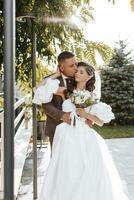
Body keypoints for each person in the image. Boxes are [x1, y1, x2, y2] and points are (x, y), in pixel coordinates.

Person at [33, 62, 130, 200]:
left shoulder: (91, 97)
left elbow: (101, 122)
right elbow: (38, 88)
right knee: (67, 169)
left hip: (85, 136)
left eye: (81, 72)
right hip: (66, 135)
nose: (76, 73)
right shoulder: (66, 91)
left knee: (86, 170)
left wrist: (85, 114)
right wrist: (56, 74)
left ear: (89, 77)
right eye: (76, 71)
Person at [33, 51, 101, 147]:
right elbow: (45, 103)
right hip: (56, 127)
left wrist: (89, 117)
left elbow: (90, 100)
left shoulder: (80, 77)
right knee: (59, 159)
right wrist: (62, 116)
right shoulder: (51, 81)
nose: (75, 68)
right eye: (71, 66)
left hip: (79, 128)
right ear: (61, 68)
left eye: (76, 64)